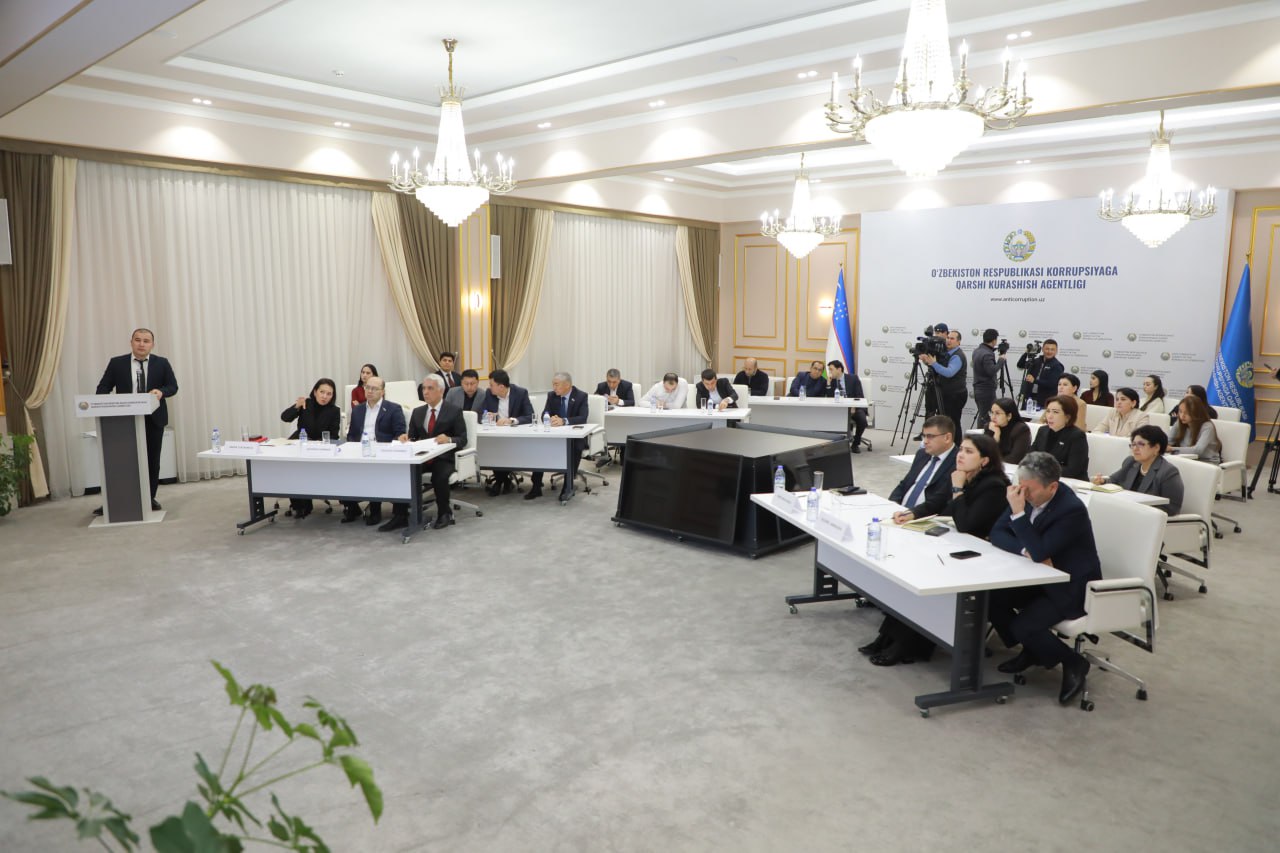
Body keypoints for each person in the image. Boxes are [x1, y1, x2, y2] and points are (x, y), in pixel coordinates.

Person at [862, 434, 1010, 666]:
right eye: (961, 449)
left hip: (984, 559)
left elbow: (966, 523)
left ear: (985, 460)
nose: (961, 455)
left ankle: (904, 645)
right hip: (961, 548)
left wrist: (957, 488)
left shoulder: (994, 486)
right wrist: (914, 514)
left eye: (969, 451)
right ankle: (887, 638)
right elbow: (942, 506)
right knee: (914, 569)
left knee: (928, 577)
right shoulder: (967, 476)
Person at [989, 451, 1102, 705]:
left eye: (1029, 490)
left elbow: (1040, 552)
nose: (1023, 494)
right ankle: (1033, 650)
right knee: (992, 598)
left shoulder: (1071, 510)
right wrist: (1025, 550)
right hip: (1037, 577)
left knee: (1023, 626)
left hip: (1069, 585)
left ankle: (1073, 662)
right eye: (1020, 486)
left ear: (1052, 487)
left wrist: (1019, 515)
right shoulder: (1026, 493)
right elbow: (997, 533)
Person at [94, 328, 178, 510]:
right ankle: (115, 501)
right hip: (123, 421)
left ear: (152, 345)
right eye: (137, 340)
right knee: (121, 462)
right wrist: (106, 405)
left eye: (146, 341)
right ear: (131, 342)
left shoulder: (162, 363)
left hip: (153, 420)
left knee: (152, 461)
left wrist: (161, 392)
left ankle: (149, 498)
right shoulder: (117, 363)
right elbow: (103, 388)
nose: (141, 344)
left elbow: (173, 386)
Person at [382, 375, 467, 532]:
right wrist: (405, 439)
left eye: (430, 388)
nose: (425, 392)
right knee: (402, 473)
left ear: (441, 391)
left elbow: (463, 439)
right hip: (422, 457)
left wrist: (449, 439)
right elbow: (413, 437)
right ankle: (400, 515)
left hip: (444, 458)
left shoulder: (454, 411)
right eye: (424, 388)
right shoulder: (418, 412)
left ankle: (444, 513)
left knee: (440, 477)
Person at [341, 376, 406, 526]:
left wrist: (383, 449)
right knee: (341, 469)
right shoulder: (358, 410)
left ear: (382, 392)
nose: (370, 391)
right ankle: (352, 507)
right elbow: (352, 435)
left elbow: (399, 434)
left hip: (383, 453)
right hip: (360, 451)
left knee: (374, 470)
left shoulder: (393, 408)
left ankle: (375, 510)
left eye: (374, 389)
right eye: (367, 387)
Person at [280, 378, 342, 518]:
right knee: (291, 470)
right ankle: (298, 504)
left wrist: (317, 444)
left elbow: (334, 435)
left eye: (329, 394)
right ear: (315, 392)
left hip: (319, 448)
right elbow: (285, 417)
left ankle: (306, 504)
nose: (324, 396)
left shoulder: (334, 411)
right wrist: (296, 406)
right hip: (299, 443)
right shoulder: (305, 403)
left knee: (306, 472)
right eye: (322, 392)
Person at [1092, 424, 1184, 514]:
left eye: (1141, 444)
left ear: (1156, 448)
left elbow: (1172, 508)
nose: (1135, 449)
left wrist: (1138, 509)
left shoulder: (1168, 472)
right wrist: (1102, 482)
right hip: (1125, 511)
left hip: (1147, 517)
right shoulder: (1131, 462)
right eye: (1133, 444)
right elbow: (1113, 481)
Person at [526, 372, 589, 502]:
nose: (554, 387)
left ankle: (567, 486)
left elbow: (583, 418)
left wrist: (564, 421)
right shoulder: (552, 395)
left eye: (556, 384)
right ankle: (536, 486)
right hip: (555, 435)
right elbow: (545, 414)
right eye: (553, 384)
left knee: (575, 448)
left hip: (574, 437)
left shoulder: (581, 396)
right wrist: (550, 418)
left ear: (567, 385)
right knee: (539, 448)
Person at [888, 415, 958, 519]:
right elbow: (904, 484)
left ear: (947, 438)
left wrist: (910, 514)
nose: (925, 441)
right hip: (900, 514)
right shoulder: (922, 454)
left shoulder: (958, 462)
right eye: (923, 436)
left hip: (925, 519)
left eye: (930, 436)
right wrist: (892, 505)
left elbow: (939, 501)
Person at [478, 368, 534, 496]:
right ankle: (503, 481)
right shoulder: (489, 394)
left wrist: (511, 420)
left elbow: (530, 416)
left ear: (501, 387)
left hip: (516, 435)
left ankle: (501, 482)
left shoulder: (520, 393)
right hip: (496, 434)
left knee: (501, 450)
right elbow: (479, 414)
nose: (489, 387)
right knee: (493, 449)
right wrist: (487, 417)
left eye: (491, 385)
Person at [1029, 394, 1089, 480]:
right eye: (1048, 411)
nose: (1049, 416)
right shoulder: (1043, 430)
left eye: (1055, 412)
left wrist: (1043, 470)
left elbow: (1073, 470)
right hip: (1042, 479)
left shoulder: (1077, 436)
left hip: (1070, 481)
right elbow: (1030, 456)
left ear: (1068, 417)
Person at [922, 329, 968, 432]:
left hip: (955, 395)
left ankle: (956, 442)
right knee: (943, 422)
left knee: (953, 423)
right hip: (946, 393)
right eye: (948, 338)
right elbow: (938, 368)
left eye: (952, 338)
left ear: (958, 342)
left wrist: (934, 363)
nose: (948, 340)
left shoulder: (957, 356)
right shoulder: (946, 353)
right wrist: (927, 361)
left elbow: (949, 372)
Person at [826, 360, 868, 452]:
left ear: (839, 369)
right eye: (829, 370)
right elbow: (829, 398)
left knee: (862, 420)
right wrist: (828, 384)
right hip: (838, 409)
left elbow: (859, 395)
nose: (829, 372)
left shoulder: (853, 378)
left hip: (854, 407)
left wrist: (853, 406)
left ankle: (856, 443)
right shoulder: (832, 381)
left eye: (831, 369)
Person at [1168, 394, 1222, 463]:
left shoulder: (1207, 427)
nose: (1182, 416)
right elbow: (1169, 441)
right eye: (1180, 411)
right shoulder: (1179, 422)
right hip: (1186, 460)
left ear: (1196, 413)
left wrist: (1171, 449)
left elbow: (1197, 451)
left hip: (1207, 462)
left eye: (1186, 413)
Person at [1018, 339, 1064, 408]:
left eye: (1052, 349)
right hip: (1029, 397)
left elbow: (1053, 384)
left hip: (1046, 400)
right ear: (1042, 349)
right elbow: (1020, 365)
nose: (1049, 351)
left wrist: (1034, 380)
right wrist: (1026, 352)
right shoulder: (1036, 361)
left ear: (1056, 351)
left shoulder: (1057, 365)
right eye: (1047, 349)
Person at [985, 397, 1031, 464]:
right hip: (994, 466)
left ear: (1009, 416)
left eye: (997, 413)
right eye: (992, 412)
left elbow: (1015, 459)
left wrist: (992, 461)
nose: (993, 417)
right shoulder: (990, 427)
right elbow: (984, 453)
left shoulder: (1021, 430)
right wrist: (996, 437)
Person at [972, 329, 1002, 428]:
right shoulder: (987, 353)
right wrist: (1001, 361)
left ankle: (981, 435)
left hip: (978, 388)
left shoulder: (977, 350)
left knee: (983, 415)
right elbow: (991, 371)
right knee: (986, 417)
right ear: (994, 340)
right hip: (986, 390)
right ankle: (982, 436)